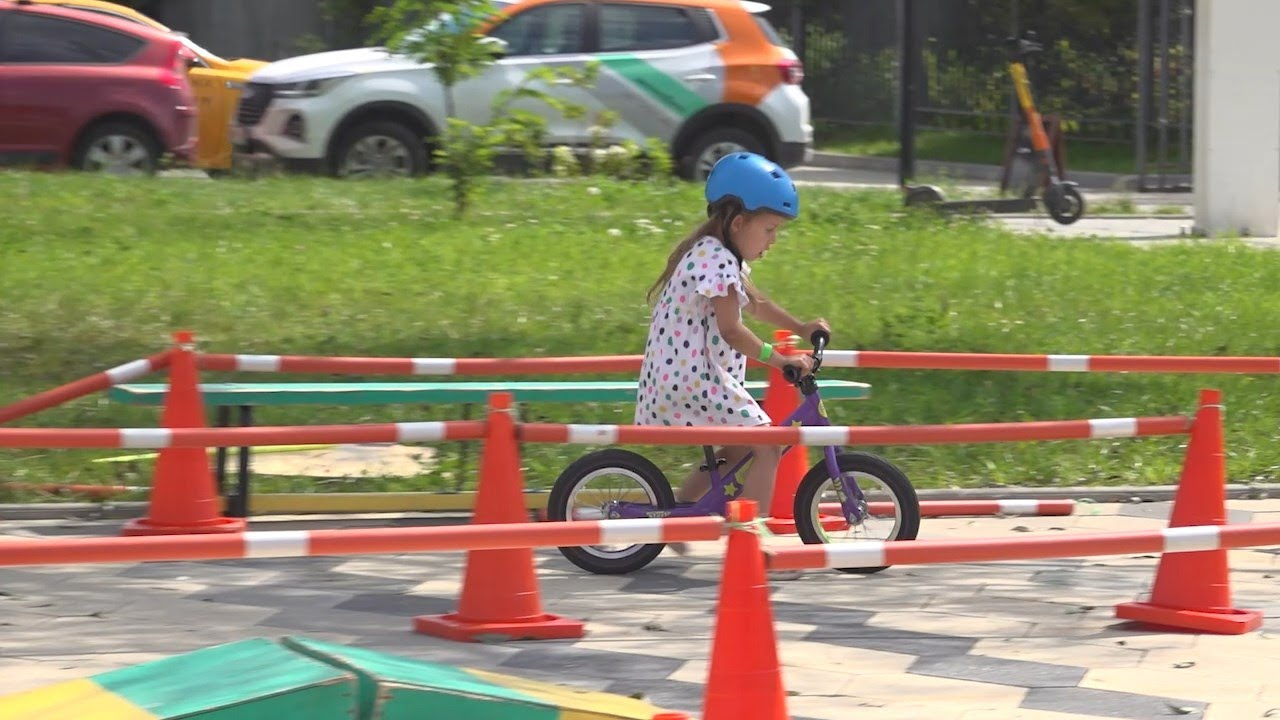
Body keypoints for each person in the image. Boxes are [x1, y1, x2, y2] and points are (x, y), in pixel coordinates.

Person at [634, 151, 830, 515]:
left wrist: (801, 327)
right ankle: (749, 535)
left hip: (682, 377)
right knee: (768, 446)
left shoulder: (714, 254)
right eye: (769, 229)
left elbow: (756, 303)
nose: (773, 240)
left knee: (739, 449)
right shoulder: (717, 260)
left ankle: (679, 516)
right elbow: (732, 331)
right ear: (738, 222)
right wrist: (781, 361)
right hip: (695, 380)